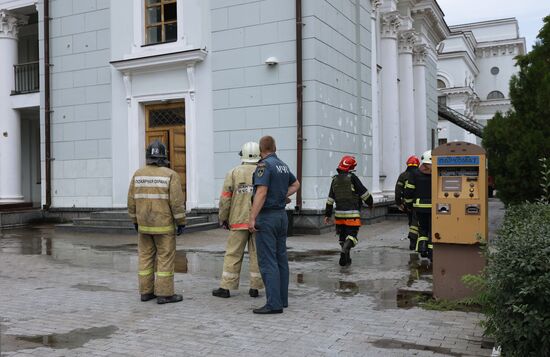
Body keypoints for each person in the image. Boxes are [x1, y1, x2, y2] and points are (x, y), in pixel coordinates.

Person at [127, 140, 186, 304]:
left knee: (145, 258)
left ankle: (146, 292)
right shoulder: (170, 175)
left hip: (144, 226)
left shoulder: (138, 174)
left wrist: (134, 220)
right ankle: (165, 294)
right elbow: (176, 202)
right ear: (163, 157)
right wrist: (181, 221)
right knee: (165, 258)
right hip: (164, 226)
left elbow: (131, 201)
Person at [248, 136, 300, 314]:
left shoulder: (264, 165)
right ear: (275, 147)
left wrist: (252, 217)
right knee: (281, 259)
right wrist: (281, 195)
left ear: (260, 150)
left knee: (267, 260)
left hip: (267, 217)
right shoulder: (282, 165)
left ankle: (273, 304)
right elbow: (296, 184)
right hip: (281, 217)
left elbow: (261, 193)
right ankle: (282, 300)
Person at [212, 142, 264, 299]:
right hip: (258, 221)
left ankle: (226, 288)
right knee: (257, 254)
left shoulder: (233, 172)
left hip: (237, 220)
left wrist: (223, 218)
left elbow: (225, 199)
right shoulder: (264, 171)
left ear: (243, 155)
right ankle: (255, 288)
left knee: (233, 254)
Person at [323, 155, 373, 266]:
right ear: (350, 167)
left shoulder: (334, 180)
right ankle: (345, 250)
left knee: (342, 236)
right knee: (352, 236)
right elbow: (364, 193)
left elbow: (330, 199)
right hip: (352, 215)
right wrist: (370, 202)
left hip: (339, 215)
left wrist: (327, 214)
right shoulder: (352, 178)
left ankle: (346, 258)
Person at [404, 150, 433, 260]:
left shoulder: (415, 174)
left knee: (423, 229)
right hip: (434, 208)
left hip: (419, 208)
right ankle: (431, 252)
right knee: (432, 229)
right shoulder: (437, 173)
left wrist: (408, 204)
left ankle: (422, 248)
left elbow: (408, 191)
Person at [395, 155, 420, 250]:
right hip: (419, 203)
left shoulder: (403, 175)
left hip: (408, 204)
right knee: (418, 222)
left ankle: (413, 241)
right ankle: (418, 241)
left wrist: (399, 203)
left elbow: (398, 190)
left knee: (412, 222)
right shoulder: (420, 174)